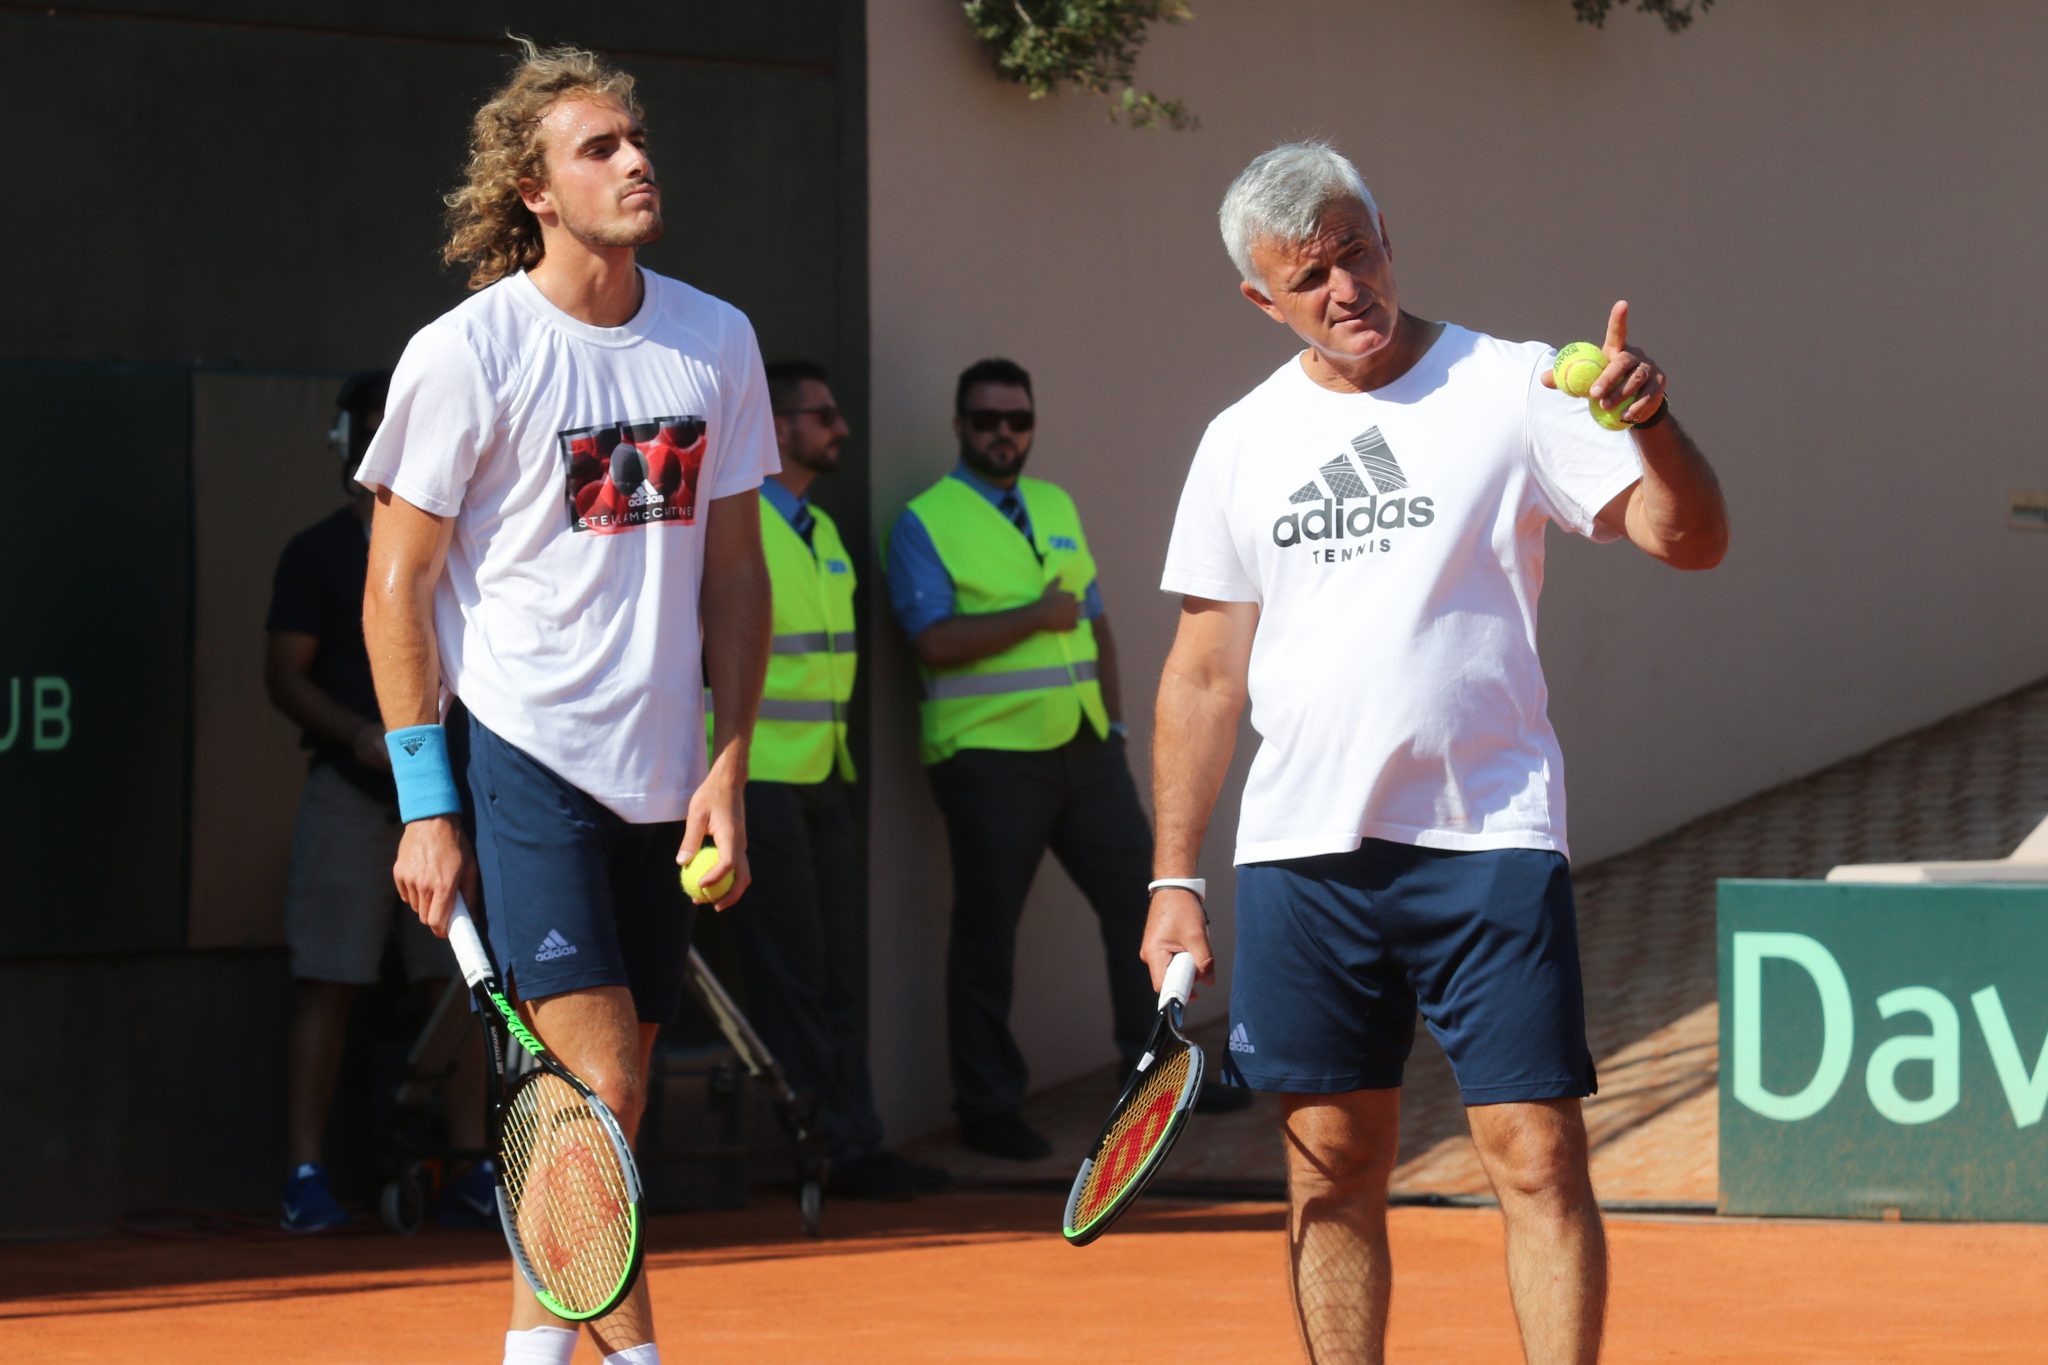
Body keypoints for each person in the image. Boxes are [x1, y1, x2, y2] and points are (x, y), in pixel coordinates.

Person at [1145, 141, 1728, 1364]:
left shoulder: (1509, 385)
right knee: (1332, 1172)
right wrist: (1173, 877)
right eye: (1308, 279)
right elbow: (1202, 674)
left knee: (1536, 1157)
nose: (1344, 288)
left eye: (1356, 251)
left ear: (1384, 235)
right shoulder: (1239, 441)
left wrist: (1653, 423)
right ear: (1261, 300)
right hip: (1303, 855)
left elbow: (1689, 539)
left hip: (1485, 837)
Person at [356, 39, 774, 1365]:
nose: (637, 160)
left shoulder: (716, 340)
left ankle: (536, 1353)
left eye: (637, 140)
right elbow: (394, 589)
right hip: (523, 756)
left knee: (601, 1107)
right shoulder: (468, 353)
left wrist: (730, 763)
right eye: (599, 148)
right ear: (533, 188)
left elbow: (738, 576)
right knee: (595, 1094)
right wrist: (428, 804)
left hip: (664, 776)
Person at [885, 358, 1249, 1163]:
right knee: (988, 936)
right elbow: (934, 641)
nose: (1004, 434)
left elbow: (1095, 624)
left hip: (1086, 751)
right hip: (989, 761)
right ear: (960, 426)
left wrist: (1114, 726)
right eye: (987, 420)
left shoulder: (1054, 504)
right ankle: (986, 1104)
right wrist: (1035, 615)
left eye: (1018, 420)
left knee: (1143, 905)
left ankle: (1151, 1074)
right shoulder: (926, 519)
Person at [715, 359, 949, 1200]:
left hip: (822, 781)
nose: (840, 428)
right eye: (824, 414)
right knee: (795, 979)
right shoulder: (740, 529)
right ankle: (824, 1149)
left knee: (836, 974)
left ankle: (850, 1139)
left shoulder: (817, 530)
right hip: (759, 788)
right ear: (776, 427)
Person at [266, 372, 491, 1233]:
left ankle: (471, 1163)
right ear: (341, 444)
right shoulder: (315, 552)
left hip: (454, 800)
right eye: (362, 434)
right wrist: (364, 736)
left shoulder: (461, 544)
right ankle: (305, 1171)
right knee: (330, 979)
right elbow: (284, 676)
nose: (376, 454)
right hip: (350, 798)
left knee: (464, 988)